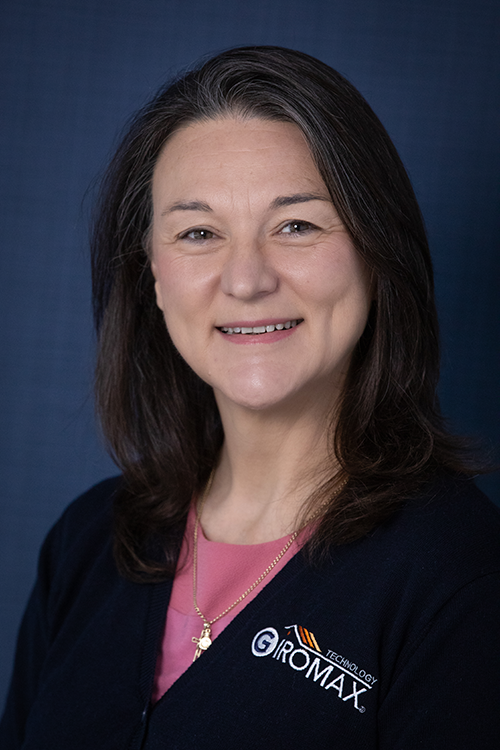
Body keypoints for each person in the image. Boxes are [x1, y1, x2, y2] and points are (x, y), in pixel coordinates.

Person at [1, 45, 499, 749]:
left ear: (375, 249)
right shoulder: (89, 542)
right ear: (153, 275)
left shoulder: (461, 580)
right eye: (199, 233)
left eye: (296, 224)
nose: (245, 279)